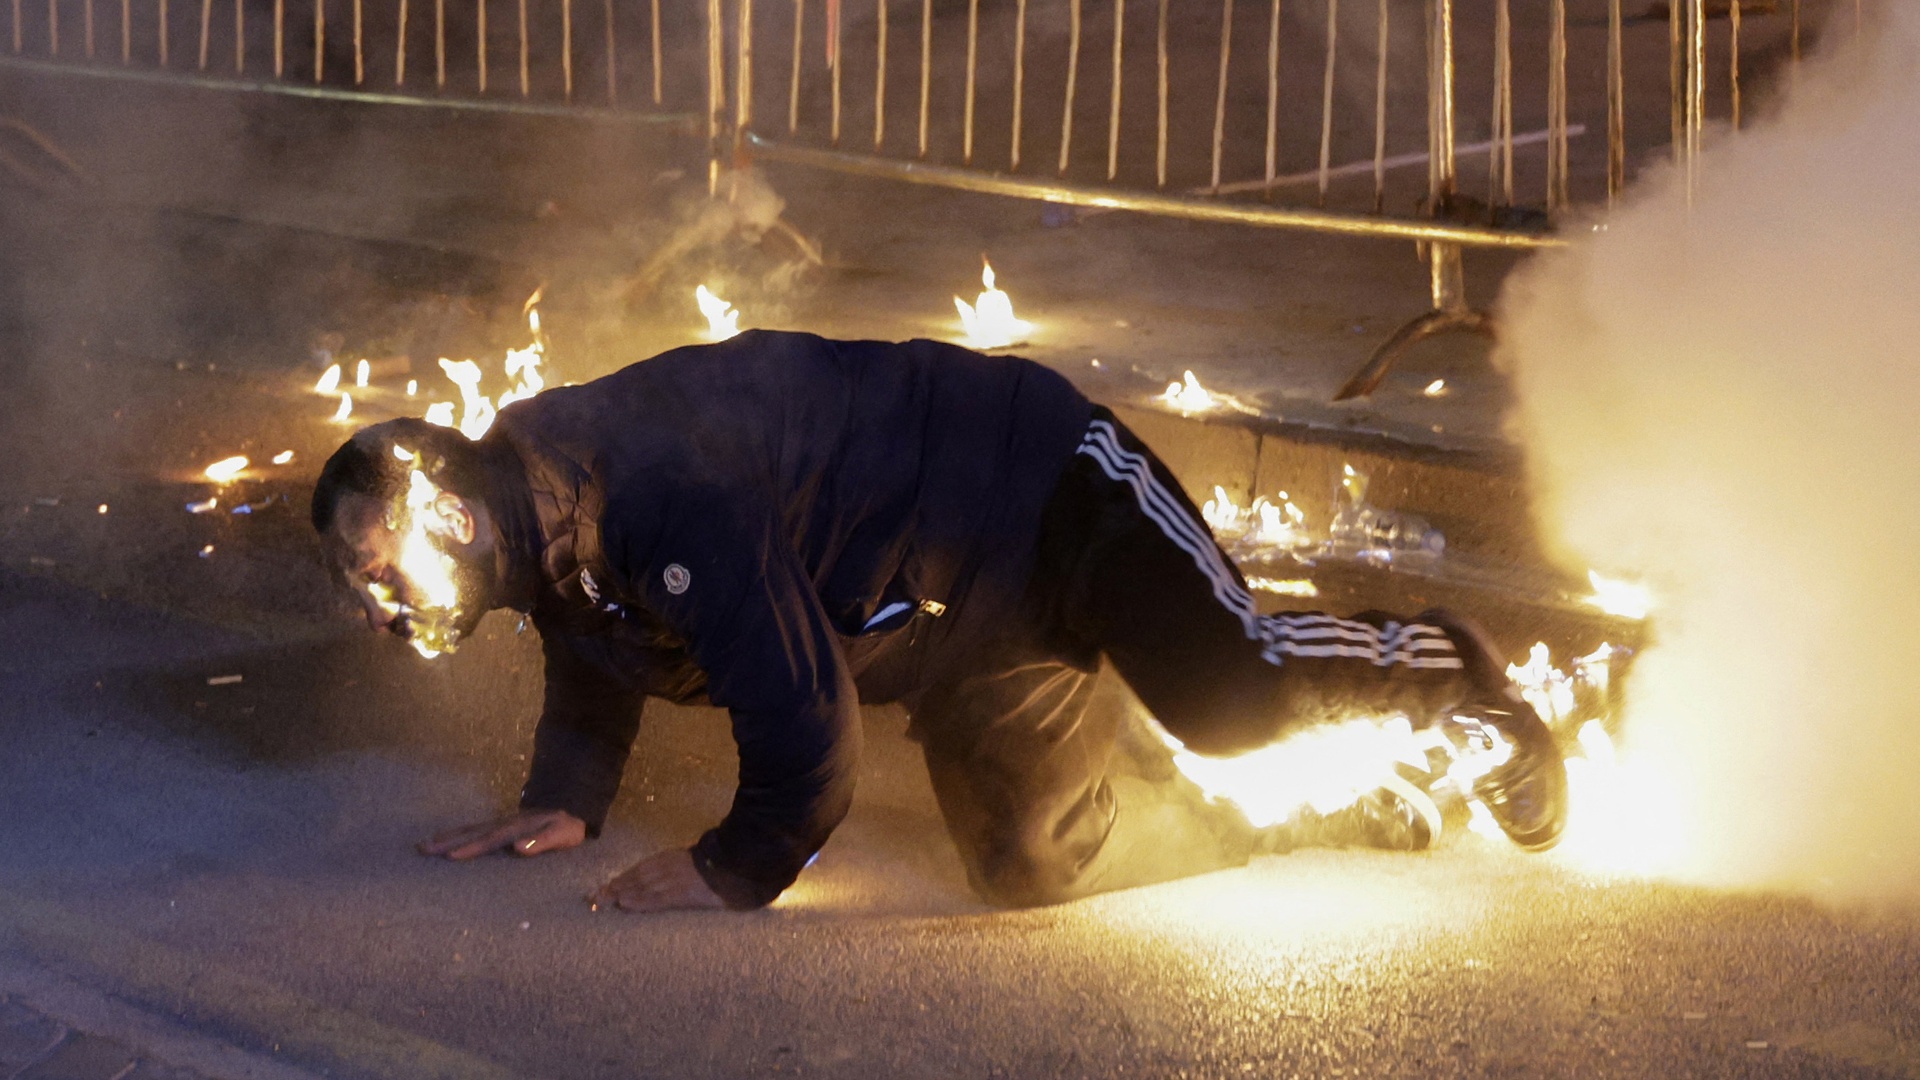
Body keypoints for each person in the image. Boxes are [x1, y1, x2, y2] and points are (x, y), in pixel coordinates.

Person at [310, 331, 1566, 913]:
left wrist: (733, 869)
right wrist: (572, 788)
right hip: (956, 632)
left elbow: (807, 732)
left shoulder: (648, 489)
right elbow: (596, 633)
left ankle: (1446, 667)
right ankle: (1350, 812)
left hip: (1039, 488)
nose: (377, 609)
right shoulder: (545, 521)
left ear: (449, 518)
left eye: (378, 572)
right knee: (1034, 869)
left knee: (1230, 697)